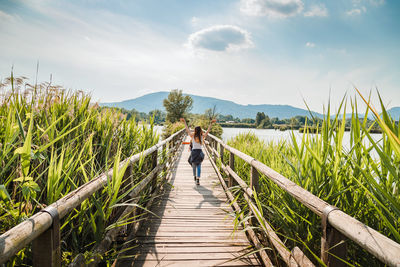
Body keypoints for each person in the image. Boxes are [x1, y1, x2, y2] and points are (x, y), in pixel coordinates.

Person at [180, 118, 216, 185]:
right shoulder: (202, 136)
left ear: (195, 130)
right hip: (199, 152)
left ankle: (194, 176)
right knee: (199, 165)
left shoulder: (192, 136)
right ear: (200, 130)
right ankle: (198, 179)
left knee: (193, 165)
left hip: (194, 152)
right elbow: (208, 131)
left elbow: (187, 130)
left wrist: (184, 122)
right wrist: (211, 124)